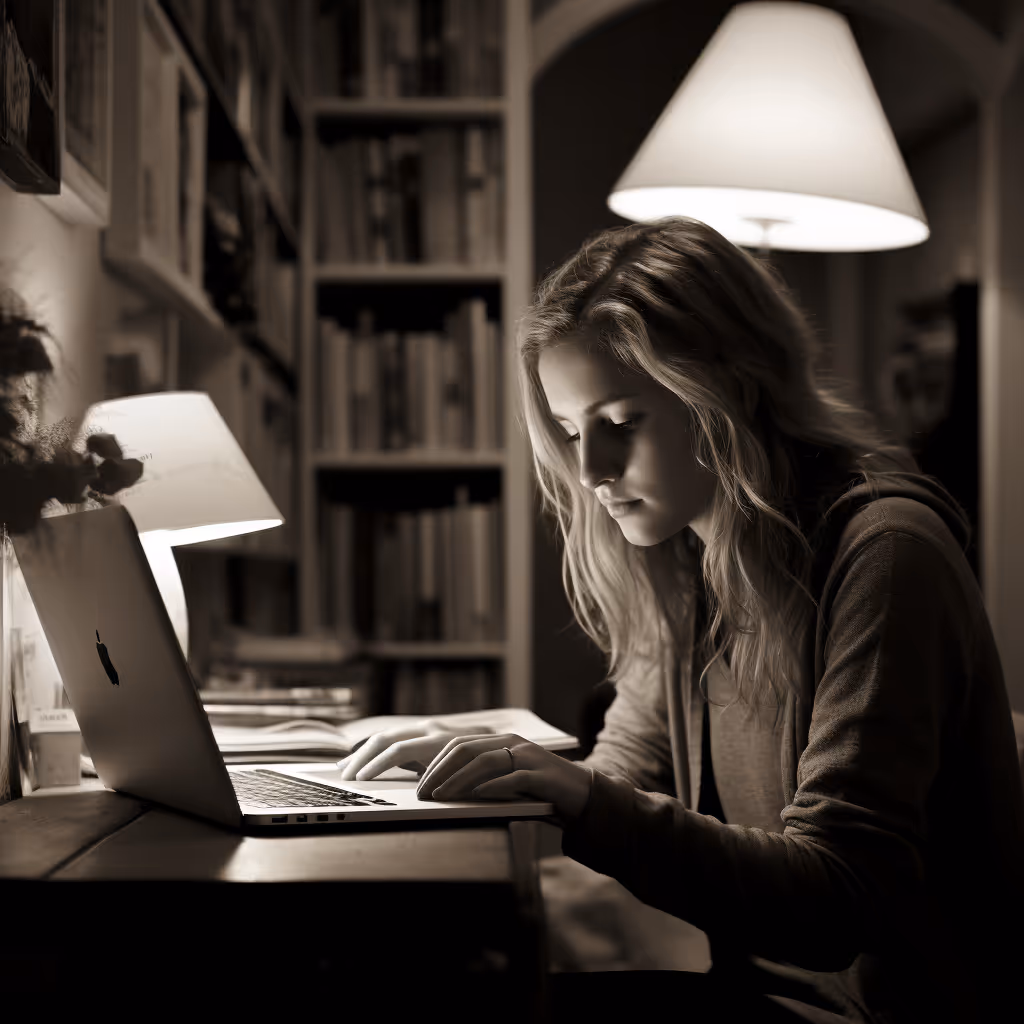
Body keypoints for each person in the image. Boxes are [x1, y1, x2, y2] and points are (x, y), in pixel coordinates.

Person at [338, 218, 1024, 1023]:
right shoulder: (692, 554)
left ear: (732, 389)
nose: (589, 471)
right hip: (756, 995)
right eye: (568, 432)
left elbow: (838, 899)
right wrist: (477, 778)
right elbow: (626, 765)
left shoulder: (885, 554)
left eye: (621, 422)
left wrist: (575, 796)